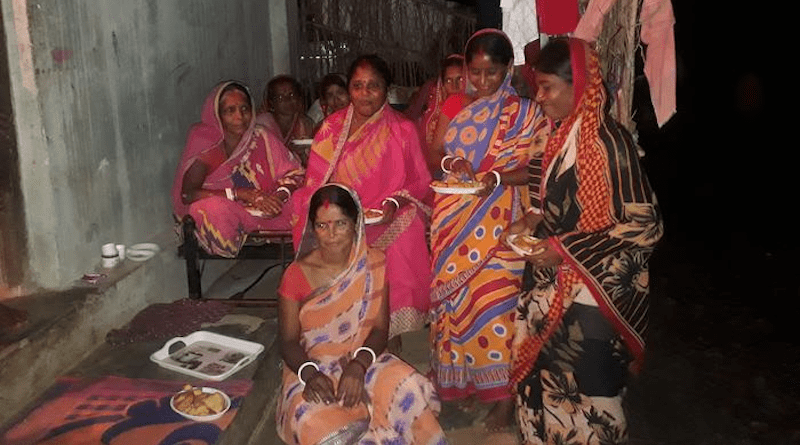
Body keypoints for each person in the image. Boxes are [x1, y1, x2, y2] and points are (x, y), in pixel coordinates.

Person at [504, 38, 663, 444]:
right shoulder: (554, 137)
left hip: (596, 290)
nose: (538, 98)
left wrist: (563, 249)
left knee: (586, 386)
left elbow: (645, 224)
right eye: (536, 87)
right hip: (551, 280)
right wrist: (527, 222)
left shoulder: (609, 143)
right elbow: (543, 203)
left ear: (580, 86)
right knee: (541, 378)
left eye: (547, 87)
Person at [427, 28, 545, 431]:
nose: (481, 82)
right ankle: (461, 387)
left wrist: (494, 178)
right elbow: (440, 153)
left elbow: (535, 169)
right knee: (456, 307)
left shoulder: (526, 113)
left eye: (490, 73)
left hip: (502, 224)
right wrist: (453, 166)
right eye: (474, 73)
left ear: (508, 69)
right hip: (452, 219)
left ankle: (503, 399)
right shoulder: (458, 106)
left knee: (496, 308)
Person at [276, 184, 446, 445]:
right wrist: (310, 374)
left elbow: (379, 331)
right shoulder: (296, 274)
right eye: (322, 226)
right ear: (312, 228)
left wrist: (358, 365)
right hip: (312, 364)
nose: (331, 234)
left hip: (364, 357)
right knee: (313, 421)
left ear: (356, 224)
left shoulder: (374, 263)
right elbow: (287, 342)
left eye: (340, 224)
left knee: (410, 387)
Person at [291, 55, 433, 350]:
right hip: (339, 213)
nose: (365, 93)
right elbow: (316, 181)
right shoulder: (331, 128)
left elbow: (419, 181)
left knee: (410, 228)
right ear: (349, 88)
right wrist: (340, 209)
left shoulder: (403, 129)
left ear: (387, 90)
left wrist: (394, 201)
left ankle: (389, 329)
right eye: (357, 86)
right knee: (308, 209)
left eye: (374, 86)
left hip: (386, 216)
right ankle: (336, 321)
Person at [171, 80, 305, 257]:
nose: (239, 117)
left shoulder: (261, 136)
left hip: (269, 206)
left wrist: (277, 198)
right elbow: (188, 194)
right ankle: (246, 230)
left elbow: (294, 172)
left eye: (244, 109)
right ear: (217, 115)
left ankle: (263, 229)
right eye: (230, 111)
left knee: (308, 197)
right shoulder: (206, 143)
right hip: (231, 210)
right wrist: (241, 194)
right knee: (210, 209)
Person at [419, 54, 465, 177]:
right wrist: (451, 163)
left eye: (460, 79)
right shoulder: (448, 106)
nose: (454, 86)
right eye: (448, 80)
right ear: (442, 85)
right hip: (448, 170)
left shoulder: (484, 104)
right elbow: (434, 153)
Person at [256, 75, 316, 164]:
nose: (287, 100)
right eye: (280, 97)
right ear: (272, 102)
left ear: (298, 98)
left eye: (291, 94)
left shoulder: (306, 123)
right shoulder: (263, 125)